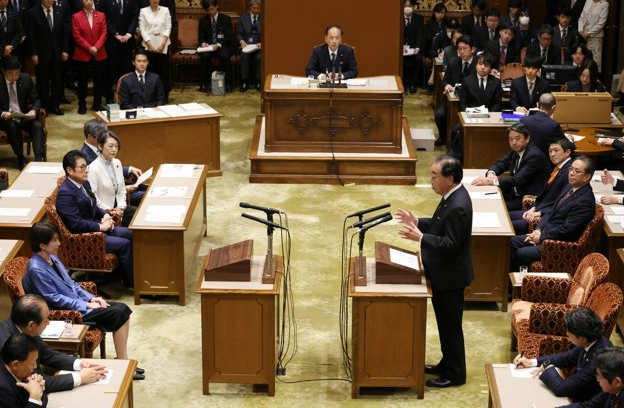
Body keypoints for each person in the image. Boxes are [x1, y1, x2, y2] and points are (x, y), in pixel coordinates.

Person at [22, 222, 144, 381]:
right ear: (42, 245)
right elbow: (54, 298)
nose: (59, 243)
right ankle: (123, 363)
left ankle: (122, 360)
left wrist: (91, 297)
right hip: (67, 313)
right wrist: (85, 305)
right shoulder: (36, 269)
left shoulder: (52, 258)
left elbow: (71, 284)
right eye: (54, 240)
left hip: (79, 304)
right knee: (119, 311)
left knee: (122, 310)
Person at [396, 155, 473, 388]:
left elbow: (451, 244)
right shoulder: (451, 197)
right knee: (445, 325)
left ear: (449, 179)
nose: (430, 180)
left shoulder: (458, 206)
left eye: (434, 176)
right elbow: (440, 224)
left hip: (450, 278)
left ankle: (456, 374)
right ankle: (447, 363)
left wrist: (421, 237)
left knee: (450, 327)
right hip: (443, 274)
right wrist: (418, 222)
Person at [55, 150, 134, 287]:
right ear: (70, 170)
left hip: (97, 226)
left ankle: (125, 275)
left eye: (86, 166)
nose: (86, 170)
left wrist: (105, 215)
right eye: (82, 167)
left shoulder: (84, 183)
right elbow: (75, 224)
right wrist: (100, 227)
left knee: (133, 234)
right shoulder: (65, 194)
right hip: (86, 238)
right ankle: (133, 283)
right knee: (124, 244)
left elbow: (93, 205)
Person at [0, 294, 108, 392]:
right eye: (46, 319)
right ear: (31, 325)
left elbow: (48, 355)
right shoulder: (9, 346)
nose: (48, 323)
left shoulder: (26, 328)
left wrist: (80, 364)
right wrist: (80, 377)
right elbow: (35, 382)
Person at [510, 156, 596, 271]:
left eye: (577, 171)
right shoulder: (569, 187)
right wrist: (538, 229)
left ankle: (519, 281)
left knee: (521, 253)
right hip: (546, 234)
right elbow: (552, 210)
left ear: (587, 177)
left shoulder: (585, 201)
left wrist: (541, 237)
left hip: (558, 245)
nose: (571, 173)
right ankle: (506, 279)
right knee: (511, 242)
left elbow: (567, 230)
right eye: (571, 169)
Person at [514, 307, 610, 403]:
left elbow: (560, 388)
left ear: (582, 339)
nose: (566, 333)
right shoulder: (591, 339)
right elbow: (565, 358)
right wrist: (531, 362)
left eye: (569, 332)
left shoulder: (599, 360)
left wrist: (548, 367)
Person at [472, 122, 548, 212]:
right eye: (510, 139)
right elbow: (501, 163)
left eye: (517, 139)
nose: (513, 143)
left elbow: (517, 179)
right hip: (512, 193)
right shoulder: (516, 150)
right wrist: (491, 174)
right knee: (482, 199)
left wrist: (492, 181)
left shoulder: (534, 156)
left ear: (527, 138)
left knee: (492, 207)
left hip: (526, 199)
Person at [509, 138, 574, 234]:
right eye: (550, 151)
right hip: (539, 209)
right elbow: (547, 196)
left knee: (507, 225)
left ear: (567, 152)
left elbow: (562, 202)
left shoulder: (570, 172)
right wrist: (533, 208)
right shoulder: (558, 168)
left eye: (556, 150)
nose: (552, 154)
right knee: (505, 216)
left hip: (547, 218)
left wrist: (540, 213)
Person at [79, 119, 145, 206]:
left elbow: (109, 167)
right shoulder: (85, 158)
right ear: (90, 137)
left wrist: (129, 169)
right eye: (100, 136)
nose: (104, 138)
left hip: (119, 187)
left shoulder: (112, 157)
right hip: (108, 197)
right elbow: (92, 191)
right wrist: (124, 189)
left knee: (146, 187)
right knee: (146, 195)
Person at [449, 52, 502, 159]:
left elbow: (497, 102)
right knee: (456, 130)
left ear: (490, 68)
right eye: (480, 64)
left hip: (489, 117)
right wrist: (469, 114)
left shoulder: (496, 82)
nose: (482, 68)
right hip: (470, 116)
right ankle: (456, 155)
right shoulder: (467, 80)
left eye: (486, 65)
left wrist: (489, 115)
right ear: (476, 65)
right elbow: (462, 102)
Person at [0, 56, 44, 170]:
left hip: (22, 116)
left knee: (37, 126)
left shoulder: (26, 78)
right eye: (10, 74)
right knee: (11, 125)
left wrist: (34, 110)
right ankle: (20, 157)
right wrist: (3, 114)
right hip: (6, 120)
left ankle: (39, 159)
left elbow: (37, 100)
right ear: (4, 71)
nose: (14, 77)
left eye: (16, 73)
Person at [27, 0, 69, 116]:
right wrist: (33, 53)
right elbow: (31, 35)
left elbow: (64, 33)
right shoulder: (33, 13)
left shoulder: (60, 11)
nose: (50, 0)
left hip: (57, 53)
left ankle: (55, 105)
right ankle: (44, 107)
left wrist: (65, 49)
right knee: (42, 83)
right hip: (41, 54)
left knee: (57, 81)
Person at [87, 131, 136, 227]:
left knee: (138, 216)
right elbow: (93, 198)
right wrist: (112, 210)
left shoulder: (117, 162)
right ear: (100, 146)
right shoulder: (93, 168)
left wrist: (121, 207)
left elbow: (121, 189)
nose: (114, 149)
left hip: (119, 207)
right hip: (104, 213)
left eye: (116, 146)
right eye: (110, 146)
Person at [434, 35, 475, 146]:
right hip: (452, 98)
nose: (462, 52)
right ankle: (443, 137)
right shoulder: (453, 62)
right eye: (459, 49)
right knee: (439, 115)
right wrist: (447, 85)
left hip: (471, 100)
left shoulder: (478, 64)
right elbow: (445, 80)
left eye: (465, 48)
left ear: (472, 49)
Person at [556, 346, 624, 408]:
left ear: (617, 382)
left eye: (599, 376)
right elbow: (588, 406)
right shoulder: (611, 388)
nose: (597, 379)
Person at [98, 0, 138, 104]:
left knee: (126, 70)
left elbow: (135, 17)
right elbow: (105, 19)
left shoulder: (131, 1)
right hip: (112, 42)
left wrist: (128, 34)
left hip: (127, 42)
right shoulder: (105, 1)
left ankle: (126, 96)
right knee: (110, 71)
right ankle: (109, 97)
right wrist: (115, 34)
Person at [72, 0, 107, 114]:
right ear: (82, 1)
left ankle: (97, 104)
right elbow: (76, 36)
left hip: (99, 52)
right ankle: (82, 104)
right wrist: (89, 47)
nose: (88, 2)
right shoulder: (76, 16)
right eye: (86, 0)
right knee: (82, 80)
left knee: (99, 80)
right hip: (83, 53)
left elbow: (104, 34)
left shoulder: (101, 15)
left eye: (90, 0)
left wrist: (96, 47)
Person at [0, 333, 47, 408]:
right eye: (32, 363)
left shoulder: (21, 371)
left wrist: (39, 390)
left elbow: (42, 403)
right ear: (15, 365)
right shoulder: (3, 391)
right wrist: (35, 396)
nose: (35, 366)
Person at [197, 0, 233, 93]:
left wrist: (218, 44)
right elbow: (201, 37)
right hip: (209, 47)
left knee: (224, 56)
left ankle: (228, 83)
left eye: (212, 9)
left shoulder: (226, 19)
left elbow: (229, 37)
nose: (210, 12)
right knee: (204, 56)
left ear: (217, 6)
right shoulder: (203, 20)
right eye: (208, 10)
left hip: (223, 45)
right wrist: (203, 43)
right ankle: (204, 83)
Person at [138, 0, 171, 101]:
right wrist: (149, 44)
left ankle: (164, 97)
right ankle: (150, 96)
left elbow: (168, 27)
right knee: (150, 72)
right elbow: (142, 29)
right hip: (148, 46)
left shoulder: (165, 10)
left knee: (163, 72)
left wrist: (162, 44)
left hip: (163, 45)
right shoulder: (143, 11)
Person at [236, 0, 261, 92]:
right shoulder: (243, 18)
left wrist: (262, 43)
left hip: (258, 47)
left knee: (258, 58)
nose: (256, 10)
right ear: (250, 7)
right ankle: (244, 81)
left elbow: (268, 33)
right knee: (245, 57)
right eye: (254, 8)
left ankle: (258, 81)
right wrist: (241, 41)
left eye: (258, 8)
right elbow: (239, 34)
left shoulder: (264, 18)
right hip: (246, 46)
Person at [578, 0, 608, 72]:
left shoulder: (604, 4)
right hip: (583, 36)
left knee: (594, 61)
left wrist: (588, 33)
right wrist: (580, 30)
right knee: (583, 60)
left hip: (595, 37)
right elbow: (582, 17)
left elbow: (601, 23)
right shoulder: (588, 1)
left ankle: (594, 78)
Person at [402, 0, 424, 94]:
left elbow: (420, 34)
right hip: (401, 48)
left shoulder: (419, 18)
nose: (407, 8)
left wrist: (417, 47)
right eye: (405, 6)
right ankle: (403, 83)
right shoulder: (398, 16)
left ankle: (413, 83)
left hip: (414, 48)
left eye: (409, 6)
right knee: (400, 59)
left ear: (413, 7)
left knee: (418, 59)